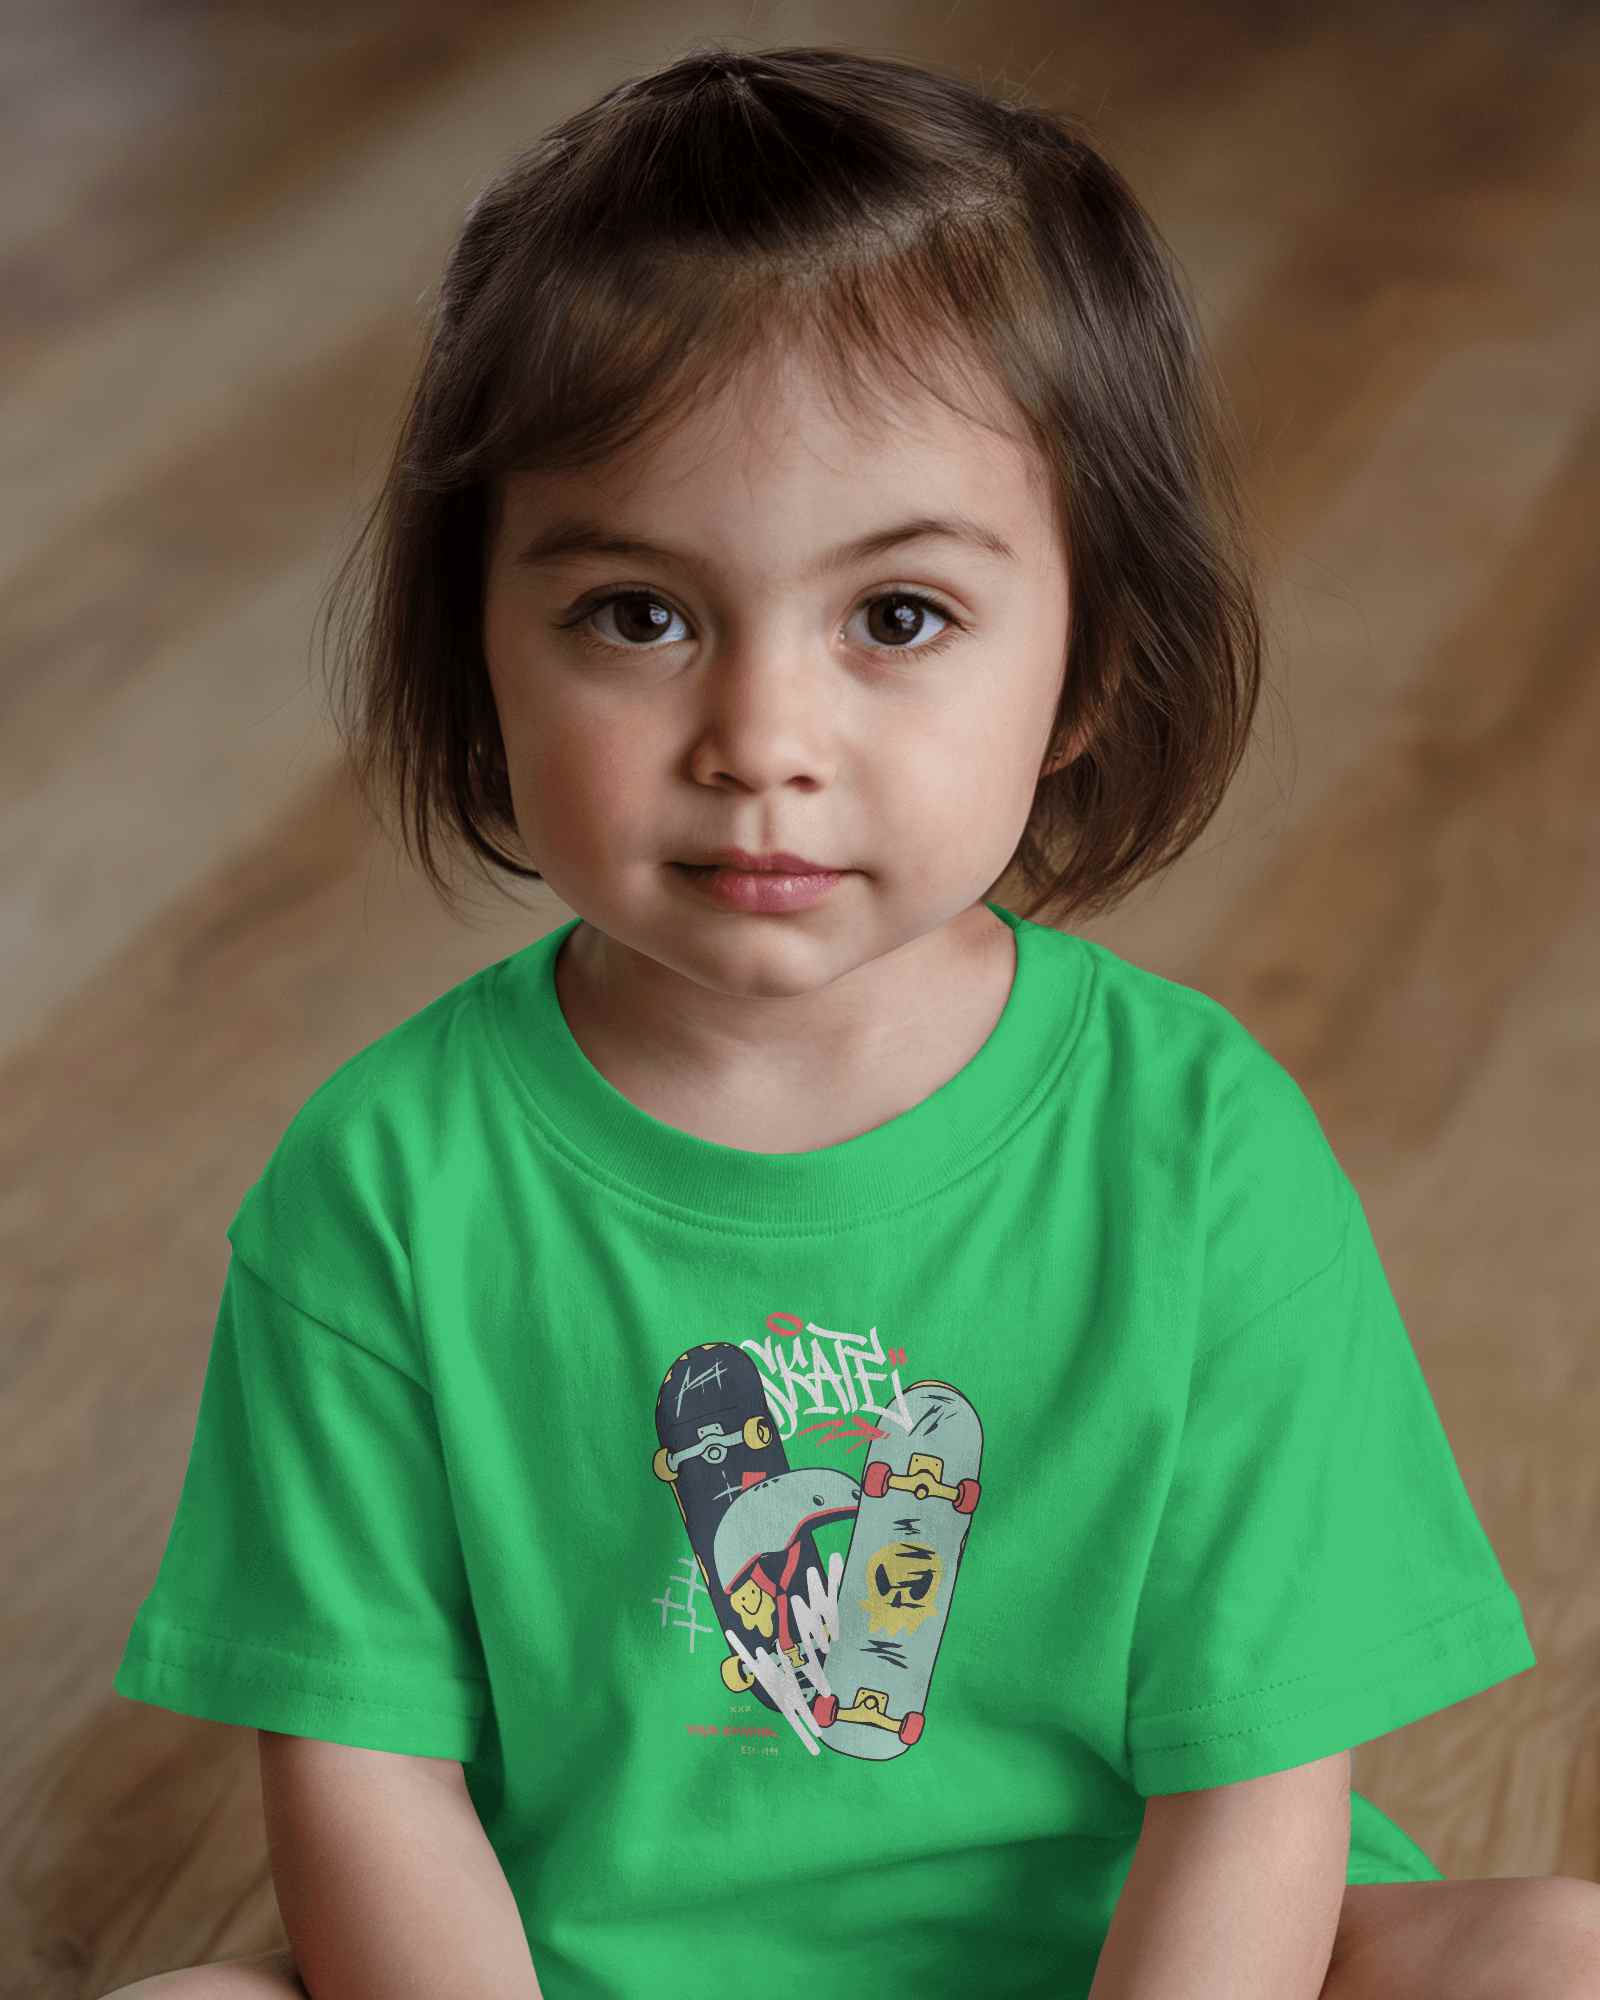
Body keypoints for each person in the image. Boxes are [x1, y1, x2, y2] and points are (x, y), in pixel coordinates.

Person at [102, 40, 1600, 2000]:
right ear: (478, 643)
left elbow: (1252, 1789)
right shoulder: (385, 1177)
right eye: (638, 613)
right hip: (574, 1966)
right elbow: (363, 1780)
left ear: (1082, 671)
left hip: (1138, 1954)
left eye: (894, 617)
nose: (759, 747)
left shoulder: (1201, 1148)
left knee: (1545, 1951)